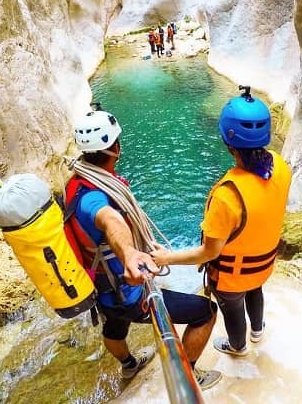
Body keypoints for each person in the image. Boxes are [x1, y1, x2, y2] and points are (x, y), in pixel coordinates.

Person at [67, 109, 222, 389]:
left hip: (101, 288)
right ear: (116, 147)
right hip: (128, 290)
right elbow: (110, 219)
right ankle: (189, 377)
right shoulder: (93, 199)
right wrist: (130, 254)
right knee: (206, 311)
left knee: (114, 326)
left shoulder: (76, 184)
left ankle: (129, 366)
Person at [150, 87, 291, 357]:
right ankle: (258, 330)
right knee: (256, 290)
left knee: (233, 308)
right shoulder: (280, 165)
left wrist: (166, 258)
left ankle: (238, 345)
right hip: (264, 264)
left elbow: (209, 252)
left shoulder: (227, 196)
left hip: (233, 276)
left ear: (228, 140)